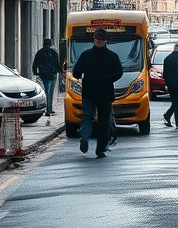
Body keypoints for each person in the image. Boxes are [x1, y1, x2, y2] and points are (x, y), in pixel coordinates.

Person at [70, 27, 123, 158]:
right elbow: (119, 72)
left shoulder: (86, 55)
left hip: (89, 92)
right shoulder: (112, 56)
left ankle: (85, 138)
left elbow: (76, 72)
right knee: (104, 122)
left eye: (98, 39)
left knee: (87, 117)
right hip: (105, 93)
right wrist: (109, 79)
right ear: (105, 41)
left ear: (95, 40)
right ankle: (101, 149)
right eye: (98, 39)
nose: (98, 41)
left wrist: (82, 75)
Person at [32, 37, 61, 116]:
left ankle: (43, 108)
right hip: (51, 75)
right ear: (50, 44)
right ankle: (49, 109)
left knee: (43, 92)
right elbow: (57, 64)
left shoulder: (39, 52)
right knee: (49, 93)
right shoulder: (53, 52)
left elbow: (35, 63)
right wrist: (56, 71)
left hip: (42, 74)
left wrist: (35, 72)